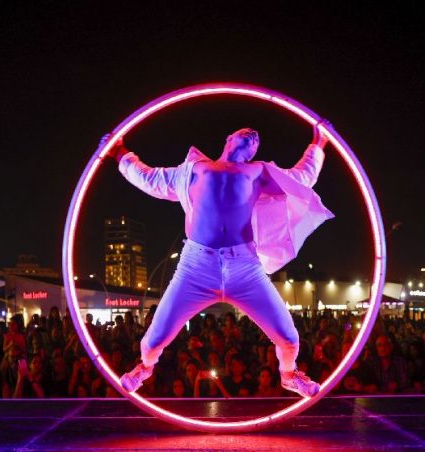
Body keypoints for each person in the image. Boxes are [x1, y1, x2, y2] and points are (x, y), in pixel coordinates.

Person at [105, 124, 333, 397]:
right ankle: (144, 368)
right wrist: (119, 151)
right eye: (246, 132)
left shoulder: (257, 172)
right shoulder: (194, 170)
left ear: (254, 152)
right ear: (228, 138)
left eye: (256, 139)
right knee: (154, 341)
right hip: (196, 269)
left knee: (290, 340)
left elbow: (301, 178)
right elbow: (149, 178)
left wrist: (319, 143)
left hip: (245, 268)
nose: (253, 135)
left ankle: (288, 374)